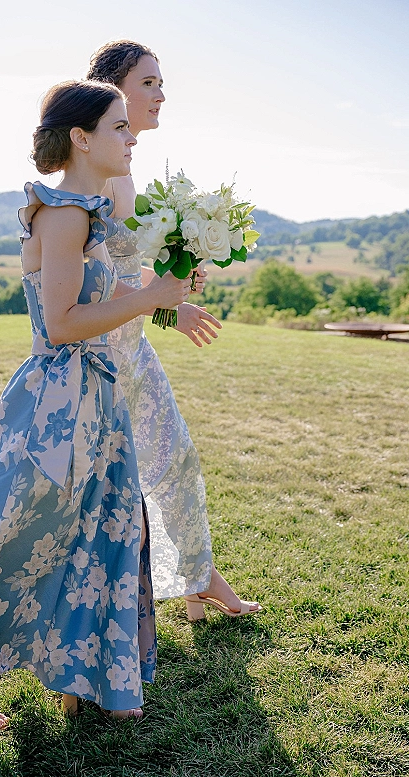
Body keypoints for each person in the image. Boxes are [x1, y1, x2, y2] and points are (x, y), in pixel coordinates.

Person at [0, 79, 192, 725]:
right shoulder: (63, 213)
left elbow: (110, 304)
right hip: (56, 401)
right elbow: (61, 322)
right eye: (117, 126)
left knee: (101, 533)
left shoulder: (90, 210)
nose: (131, 134)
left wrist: (166, 294)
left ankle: (89, 675)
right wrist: (150, 296)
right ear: (81, 138)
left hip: (99, 397)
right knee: (10, 535)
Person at [87, 41, 262, 620]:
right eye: (149, 83)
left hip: (129, 347)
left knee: (172, 460)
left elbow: (123, 263)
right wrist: (168, 306)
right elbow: (95, 275)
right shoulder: (100, 173)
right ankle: (183, 584)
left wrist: (179, 280)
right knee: (131, 480)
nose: (161, 95)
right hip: (102, 355)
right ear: (116, 89)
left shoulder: (123, 168)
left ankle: (193, 579)